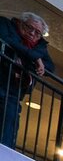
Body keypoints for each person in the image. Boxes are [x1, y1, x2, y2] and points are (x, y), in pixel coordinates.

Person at [0, 12, 53, 149]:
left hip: (15, 91)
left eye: (37, 33)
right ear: (21, 23)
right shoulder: (6, 25)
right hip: (2, 79)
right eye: (30, 28)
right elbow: (6, 39)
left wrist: (36, 58)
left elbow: (51, 67)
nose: (33, 34)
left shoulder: (40, 45)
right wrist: (34, 57)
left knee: (9, 126)